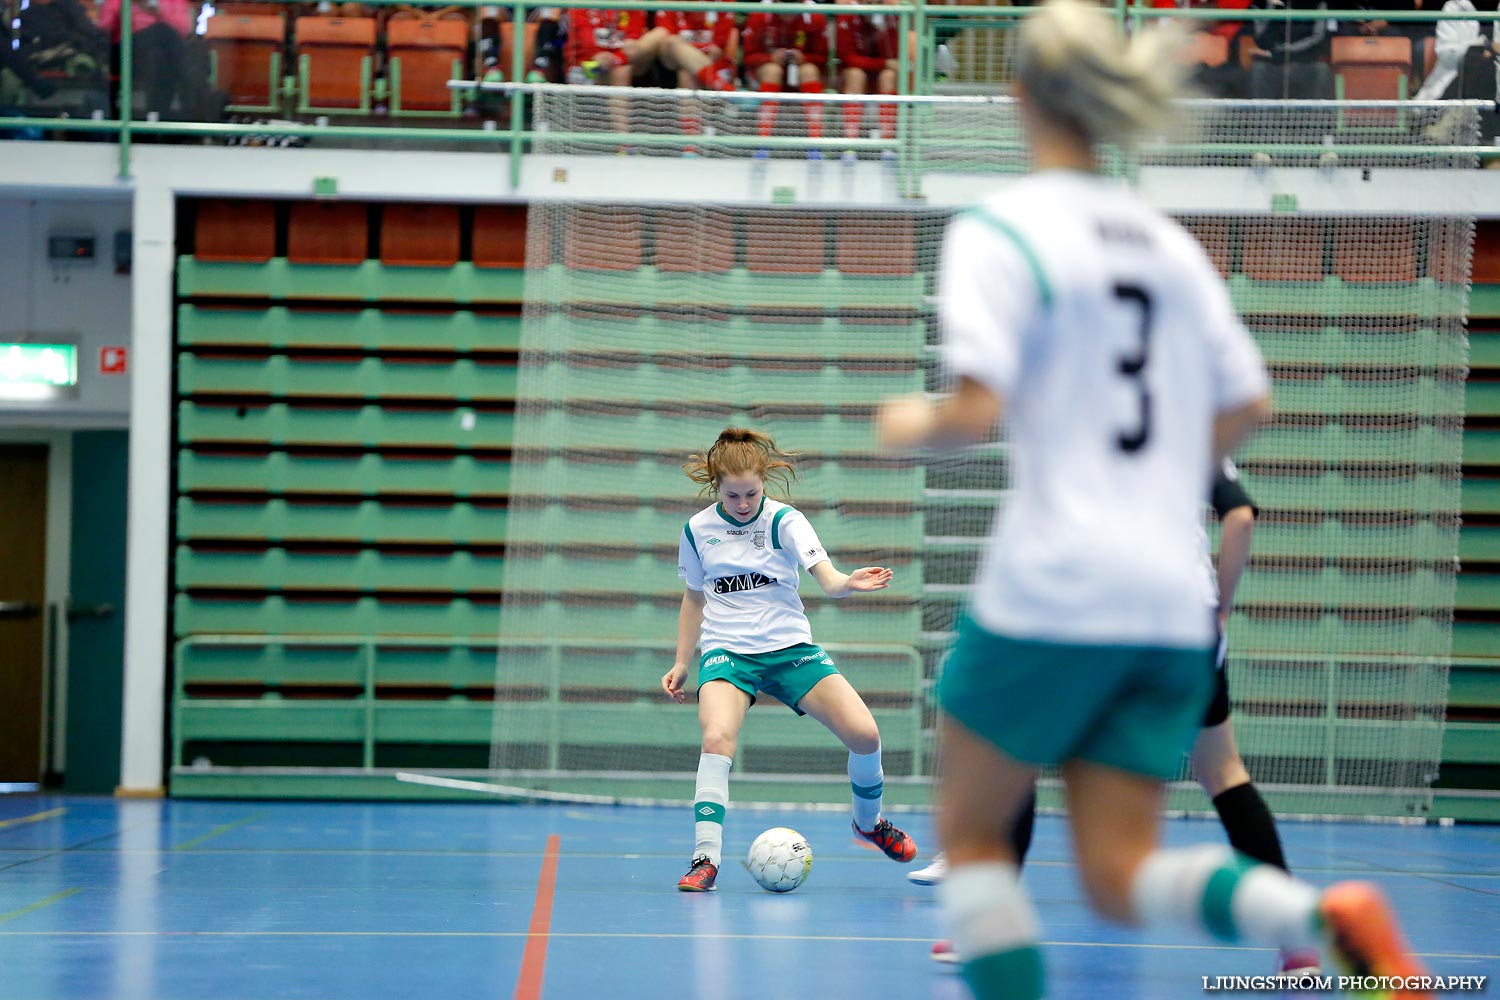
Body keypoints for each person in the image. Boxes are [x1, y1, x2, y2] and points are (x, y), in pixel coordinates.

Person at [876, 3, 1430, 998]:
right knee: (1119, 874)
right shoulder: (1168, 244)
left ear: (1020, 97)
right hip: (1166, 603)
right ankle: (1316, 916)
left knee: (969, 829)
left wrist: (901, 424)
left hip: (1057, 576)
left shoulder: (1002, 230)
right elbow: (1252, 401)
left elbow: (975, 409)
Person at [912, 460, 1322, 979]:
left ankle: (989, 934)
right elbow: (1239, 517)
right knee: (1223, 773)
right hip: (1184, 618)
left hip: (1092, 612)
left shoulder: (1079, 421)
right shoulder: (1196, 421)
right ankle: (1296, 937)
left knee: (1015, 759)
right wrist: (1220, 611)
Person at [662, 427, 919, 892]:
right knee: (716, 737)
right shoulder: (698, 530)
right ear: (715, 486)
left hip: (790, 650)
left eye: (752, 493)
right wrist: (683, 661)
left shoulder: (786, 521)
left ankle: (869, 823)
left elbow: (827, 577)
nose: (743, 503)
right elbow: (694, 598)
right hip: (728, 651)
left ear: (766, 483)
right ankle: (705, 860)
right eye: (733, 494)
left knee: (865, 735)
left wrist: (847, 582)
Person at [742, 4, 830, 151]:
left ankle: (816, 141)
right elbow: (748, 57)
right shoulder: (760, 13)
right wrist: (770, 57)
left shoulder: (815, 15)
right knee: (772, 70)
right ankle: (763, 141)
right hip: (767, 74)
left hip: (802, 74)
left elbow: (823, 58)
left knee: (809, 70)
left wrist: (804, 57)